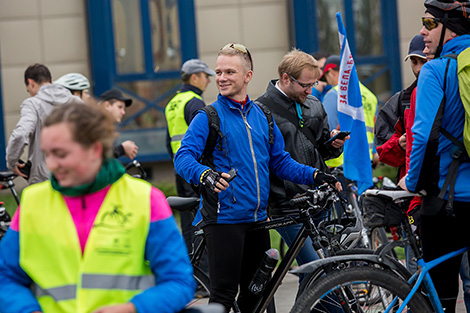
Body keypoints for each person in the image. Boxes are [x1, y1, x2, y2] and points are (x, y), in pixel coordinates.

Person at [174, 43, 341, 313]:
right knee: (223, 298)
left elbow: (281, 162)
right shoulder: (209, 116)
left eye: (230, 71)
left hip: (257, 221)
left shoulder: (262, 115)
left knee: (257, 296)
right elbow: (183, 158)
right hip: (224, 219)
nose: (222, 78)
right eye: (218, 72)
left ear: (248, 76)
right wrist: (205, 174)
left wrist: (315, 175)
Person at [0, 102, 195, 313]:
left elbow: (179, 282)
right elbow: (5, 278)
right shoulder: (33, 201)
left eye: (61, 154)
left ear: (95, 149)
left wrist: (133, 309)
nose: (52, 165)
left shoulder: (145, 199)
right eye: (47, 154)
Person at [398, 1, 470, 312]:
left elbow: (423, 135)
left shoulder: (436, 70)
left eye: (430, 23)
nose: (423, 32)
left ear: (448, 28)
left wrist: (412, 182)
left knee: (440, 297)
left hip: (444, 200)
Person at [255, 49, 345, 281]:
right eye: (305, 85)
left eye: (313, 83)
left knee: (313, 276)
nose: (310, 90)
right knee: (319, 272)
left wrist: (334, 144)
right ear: (286, 78)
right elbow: (261, 164)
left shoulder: (314, 104)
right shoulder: (260, 111)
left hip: (318, 201)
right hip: (286, 205)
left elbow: (322, 151)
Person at [165, 58, 215, 253]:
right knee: (202, 219)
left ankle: (193, 269)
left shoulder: (173, 103)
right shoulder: (194, 102)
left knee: (187, 220)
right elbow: (203, 138)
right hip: (196, 170)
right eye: (205, 76)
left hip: (180, 168)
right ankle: (204, 271)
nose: (208, 81)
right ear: (194, 77)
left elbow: (168, 141)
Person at [6, 63, 82, 184]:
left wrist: (11, 162)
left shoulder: (32, 104)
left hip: (44, 178)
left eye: (28, 90)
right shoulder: (77, 102)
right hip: (75, 174)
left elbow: (20, 134)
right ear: (51, 81)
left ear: (30, 83)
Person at [375, 35, 427, 182]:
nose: (418, 69)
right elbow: (383, 149)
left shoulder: (451, 92)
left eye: (424, 61)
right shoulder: (401, 100)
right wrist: (398, 145)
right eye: (414, 62)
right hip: (411, 184)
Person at [321, 55, 378, 168]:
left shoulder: (333, 94)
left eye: (326, 77)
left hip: (341, 163)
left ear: (331, 72)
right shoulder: (370, 96)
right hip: (366, 162)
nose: (327, 82)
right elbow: (376, 130)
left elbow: (327, 130)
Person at [98, 88, 139, 160]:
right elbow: (98, 157)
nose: (123, 112)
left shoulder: (103, 125)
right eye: (119, 107)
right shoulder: (96, 126)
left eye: (124, 109)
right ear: (107, 105)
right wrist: (122, 149)